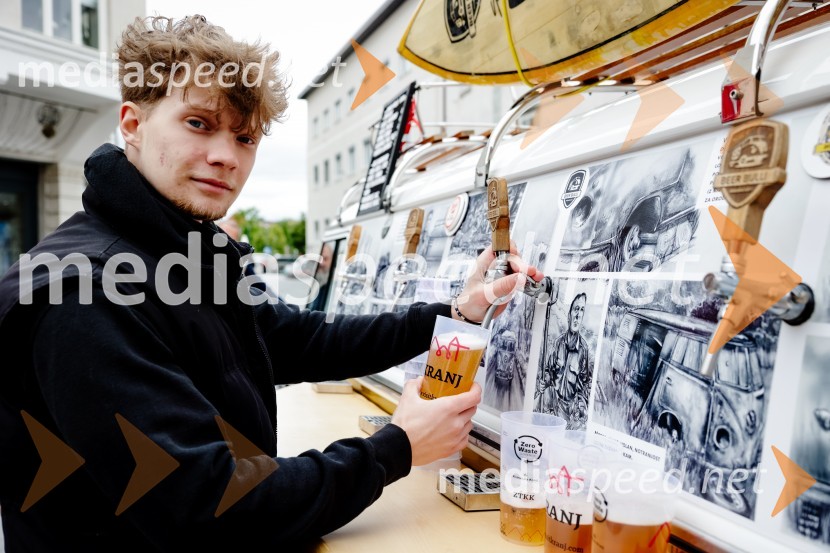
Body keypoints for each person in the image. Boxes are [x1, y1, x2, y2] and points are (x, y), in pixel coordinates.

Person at [0, 15, 539, 550]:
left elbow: (300, 338)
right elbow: (210, 506)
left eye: (245, 137)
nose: (225, 157)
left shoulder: (180, 252)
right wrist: (397, 447)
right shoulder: (84, 293)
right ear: (133, 125)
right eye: (198, 123)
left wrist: (457, 312)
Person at [535, 293, 592, 428]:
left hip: (570, 412)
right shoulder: (558, 343)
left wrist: (582, 405)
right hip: (553, 405)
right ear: (569, 315)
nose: (578, 315)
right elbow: (549, 371)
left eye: (582, 310)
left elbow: (585, 383)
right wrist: (544, 382)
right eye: (576, 309)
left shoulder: (583, 349)